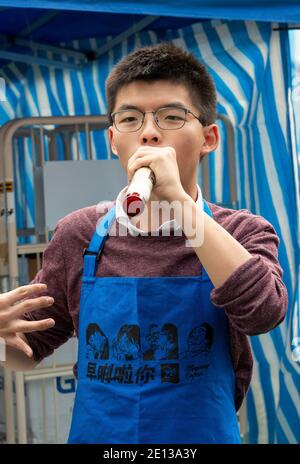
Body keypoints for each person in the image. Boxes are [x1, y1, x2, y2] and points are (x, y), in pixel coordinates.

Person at [0, 43, 288, 444]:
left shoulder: (242, 231)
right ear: (113, 139)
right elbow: (29, 348)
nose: (150, 132)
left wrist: (181, 205)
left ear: (209, 138)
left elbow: (264, 314)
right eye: (131, 118)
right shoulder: (79, 233)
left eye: (171, 116)